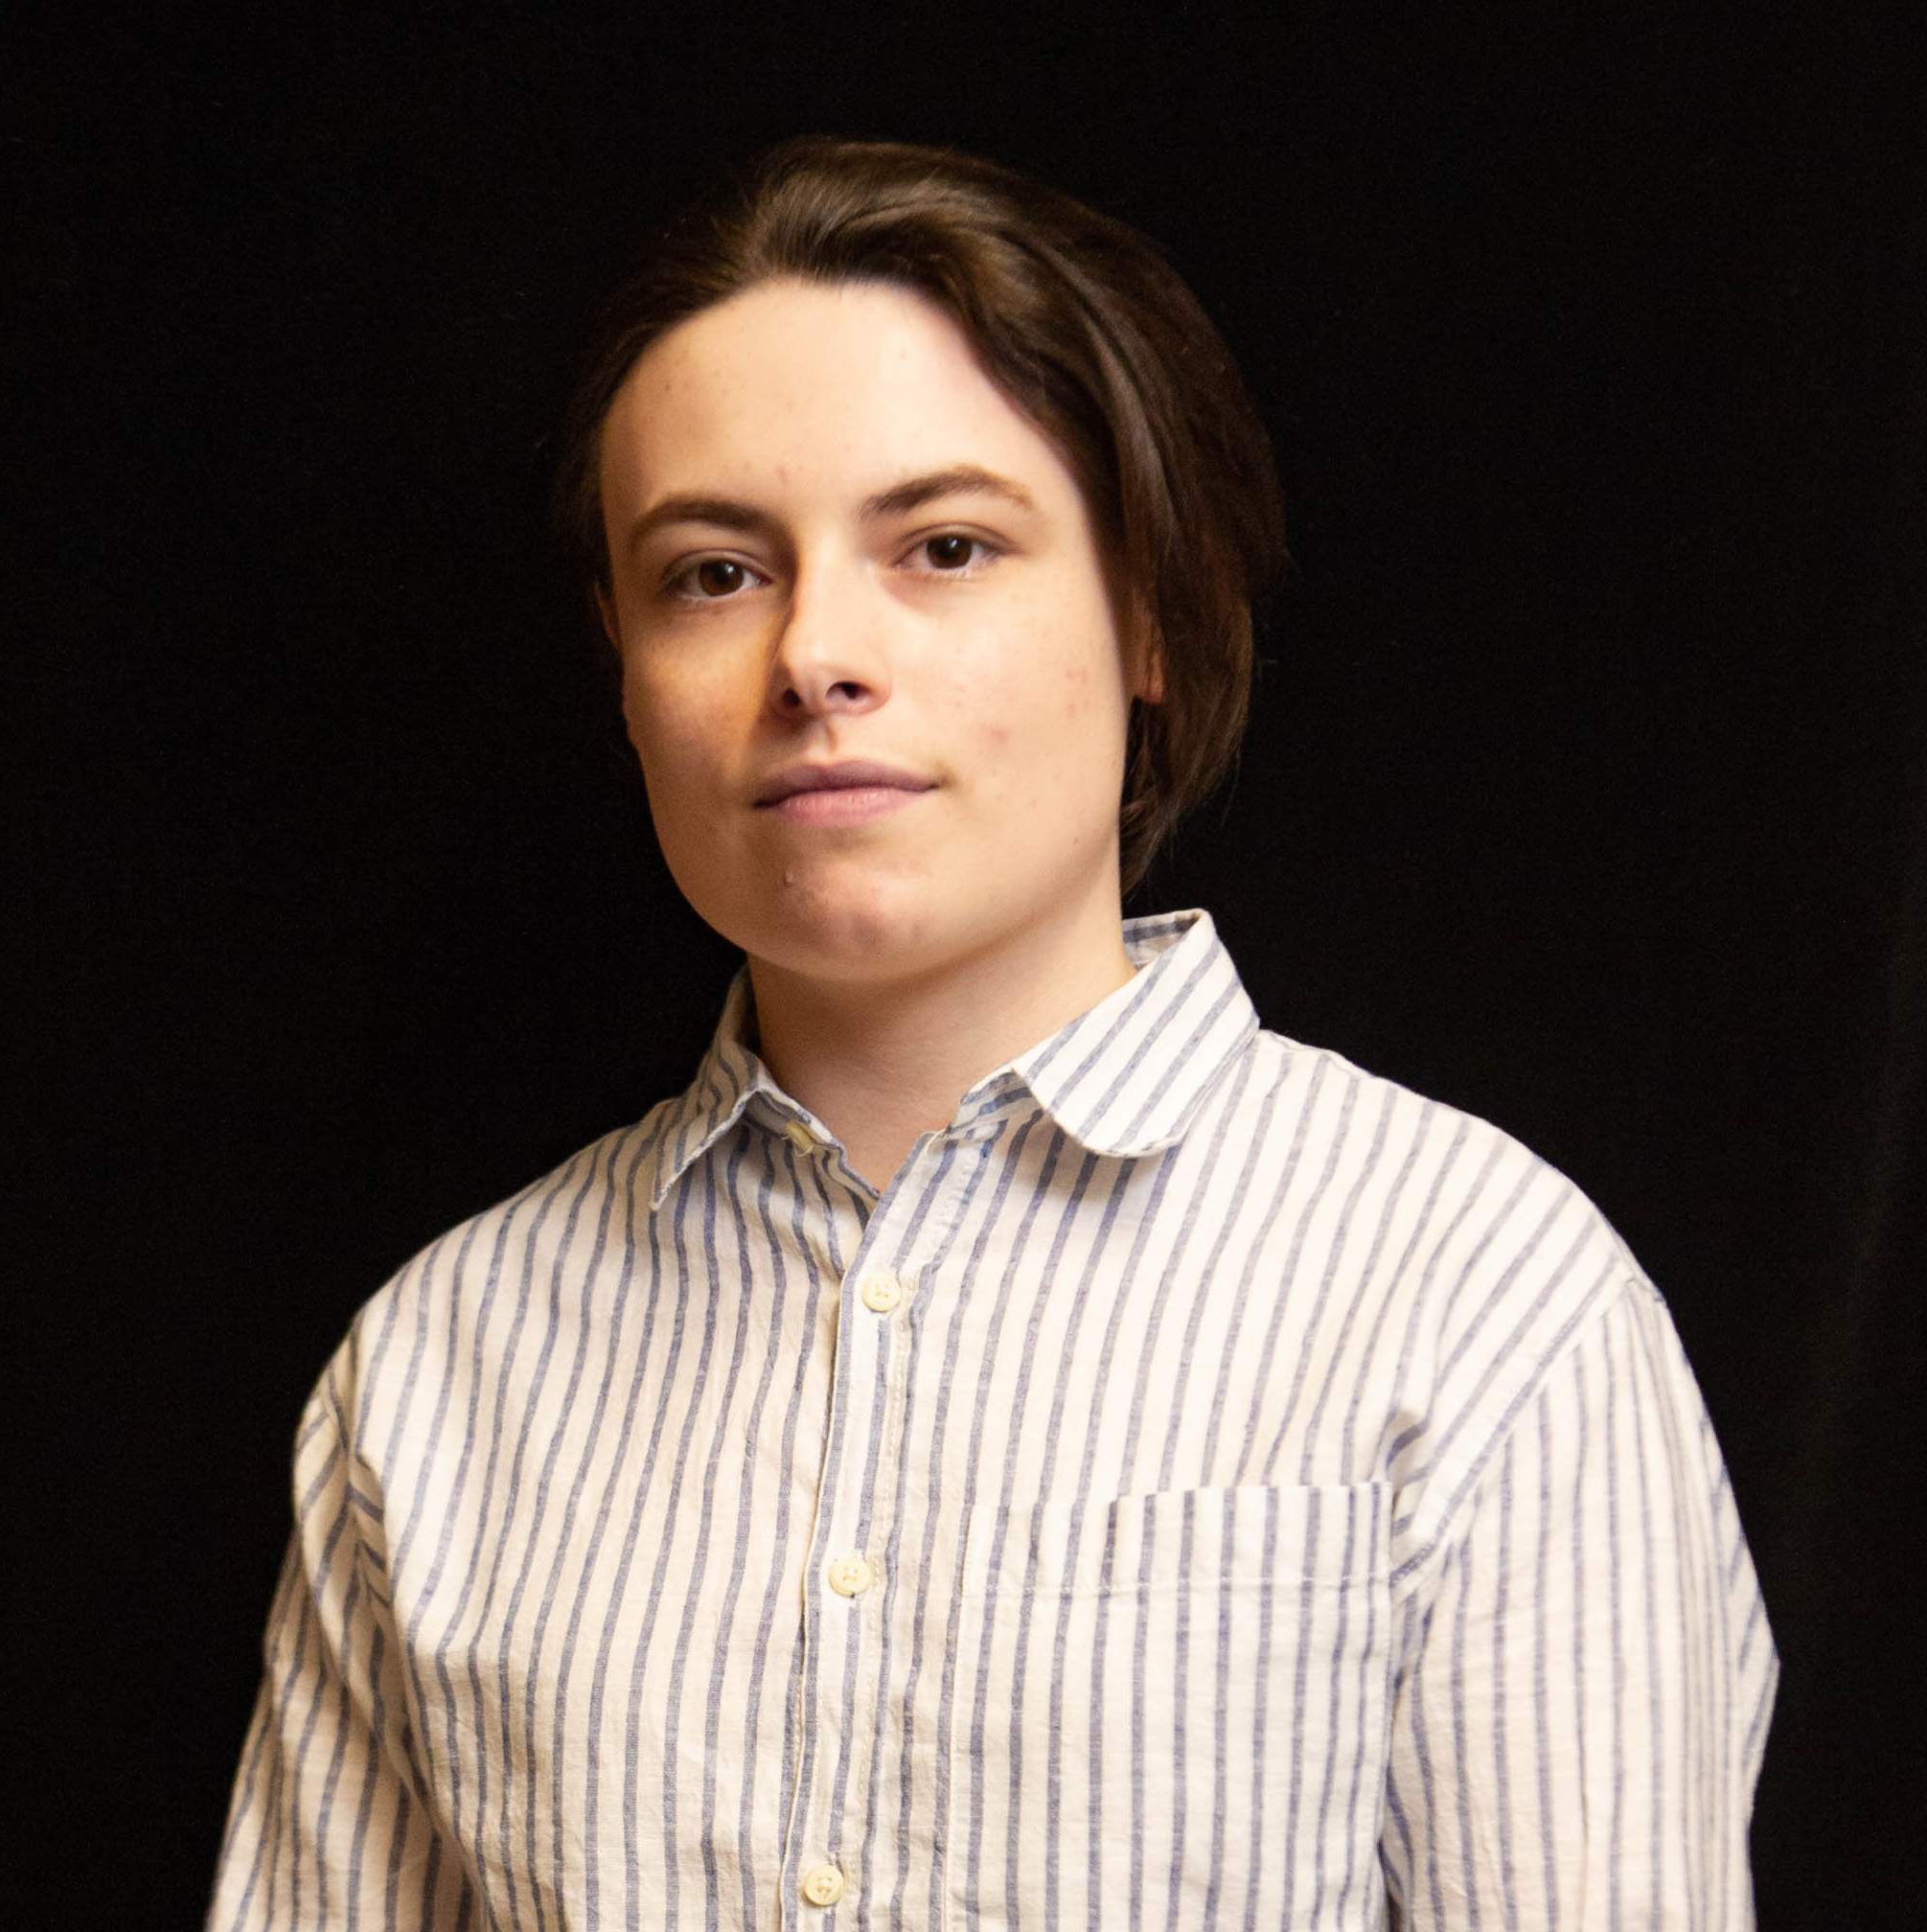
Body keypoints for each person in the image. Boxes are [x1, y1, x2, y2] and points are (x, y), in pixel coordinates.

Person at [207, 137, 1776, 1931]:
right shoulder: (435, 1372)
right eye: (713, 574)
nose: (817, 656)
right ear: (625, 675)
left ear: (1153, 611)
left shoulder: (1479, 1298)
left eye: (945, 547)